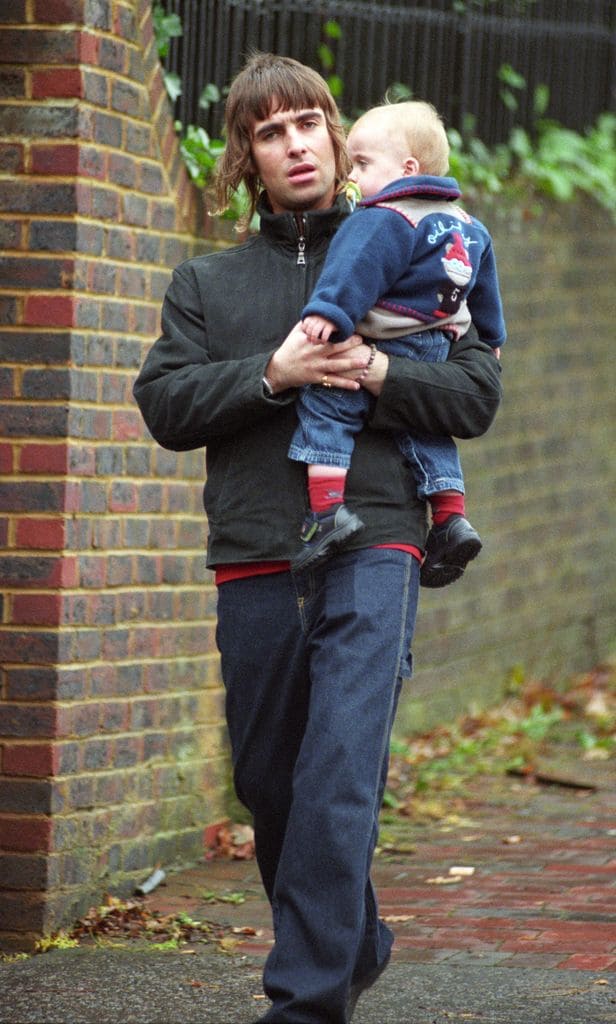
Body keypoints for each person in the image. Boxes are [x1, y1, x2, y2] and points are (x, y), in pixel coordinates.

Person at [133, 52, 502, 1024]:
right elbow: (166, 403)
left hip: (377, 539)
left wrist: (374, 366)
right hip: (257, 549)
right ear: (246, 158)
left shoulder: (419, 246)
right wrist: (276, 369)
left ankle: (305, 1001)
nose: (294, 144)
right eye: (270, 131)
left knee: (340, 770)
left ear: (338, 140)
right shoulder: (207, 284)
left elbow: (473, 394)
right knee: (269, 783)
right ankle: (355, 937)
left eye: (309, 123)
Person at [288, 100, 506, 585]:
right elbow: (484, 290)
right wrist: (492, 338)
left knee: (327, 404)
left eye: (362, 164)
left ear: (407, 169)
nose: (353, 177)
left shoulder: (383, 217)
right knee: (425, 427)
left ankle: (326, 515)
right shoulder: (470, 226)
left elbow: (353, 271)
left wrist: (329, 313)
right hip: (436, 342)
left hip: (383, 332)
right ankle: (450, 516)